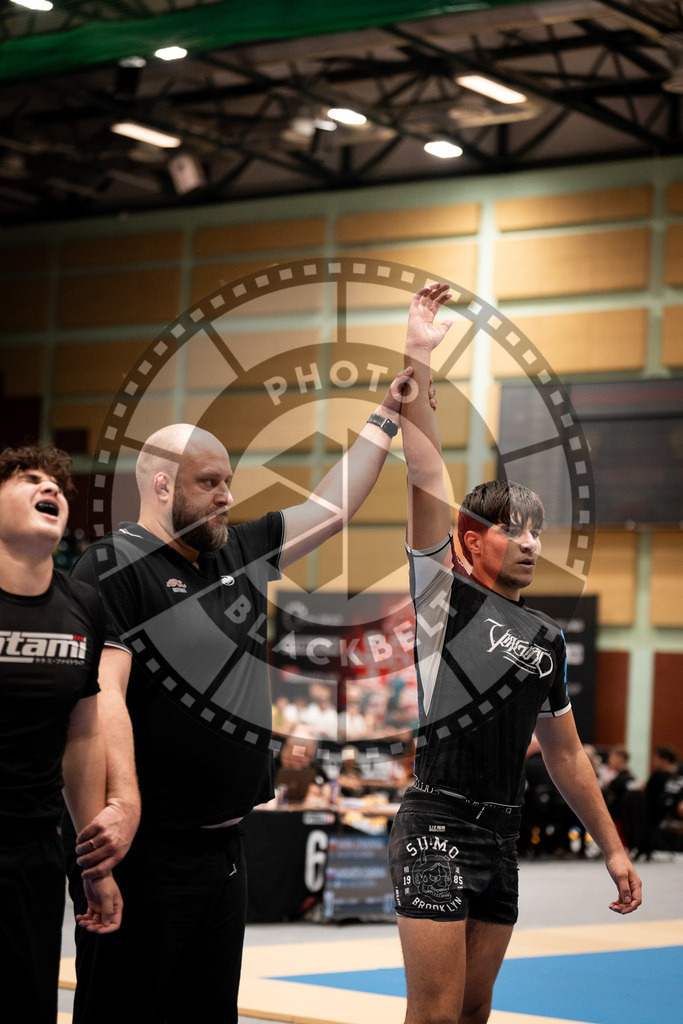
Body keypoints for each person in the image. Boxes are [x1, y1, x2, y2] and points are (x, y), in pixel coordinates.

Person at [64, 367, 427, 1023]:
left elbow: (333, 508)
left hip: (224, 852)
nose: (227, 496)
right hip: (148, 855)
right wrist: (116, 810)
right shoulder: (113, 567)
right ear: (162, 484)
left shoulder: (235, 553)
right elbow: (102, 700)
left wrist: (384, 416)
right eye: (210, 484)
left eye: (229, 481)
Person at [387, 284, 642, 1024]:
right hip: (435, 821)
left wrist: (614, 847)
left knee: (472, 1013)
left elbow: (565, 757)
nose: (531, 542)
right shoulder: (443, 598)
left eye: (537, 531)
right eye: (513, 529)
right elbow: (424, 474)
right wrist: (418, 356)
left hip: (501, 829)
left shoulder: (546, 641)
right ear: (471, 541)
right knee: (432, 1016)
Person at [0, 444, 122, 1024]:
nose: (50, 489)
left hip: (34, 853)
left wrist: (93, 866)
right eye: (29, 479)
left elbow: (82, 735)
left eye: (57, 486)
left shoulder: (84, 607)